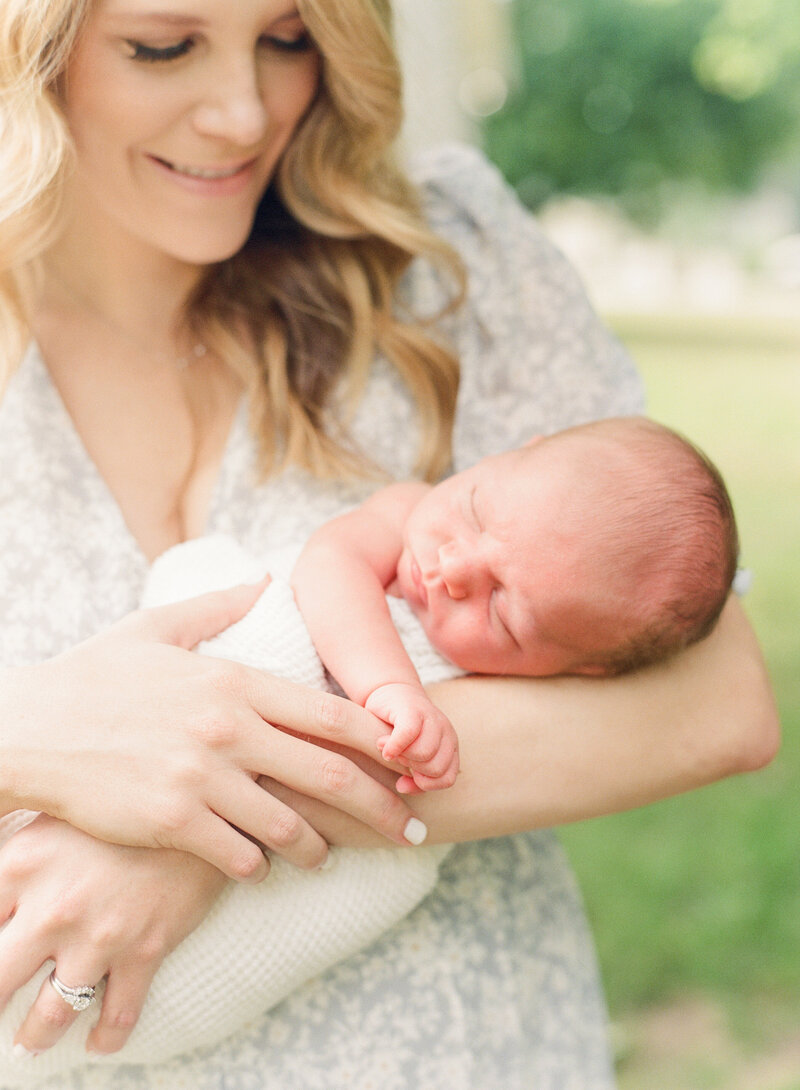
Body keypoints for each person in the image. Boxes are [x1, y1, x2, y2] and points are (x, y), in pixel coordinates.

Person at [0, 2, 778, 1089]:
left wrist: (199, 828)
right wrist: (38, 736)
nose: (240, 114)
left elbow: (713, 701)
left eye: (285, 38)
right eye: (162, 46)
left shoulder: (444, 258)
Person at [292, 415, 739, 791]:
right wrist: (388, 687)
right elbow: (330, 563)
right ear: (503, 456)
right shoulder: (401, 515)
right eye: (473, 512)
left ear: (574, 668)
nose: (453, 567)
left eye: (501, 610)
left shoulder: (521, 697)